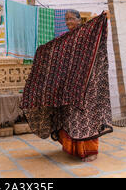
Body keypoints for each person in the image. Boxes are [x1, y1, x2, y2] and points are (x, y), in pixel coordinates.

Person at [21, 9, 113, 164]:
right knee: (70, 117)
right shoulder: (66, 39)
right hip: (70, 86)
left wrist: (102, 18)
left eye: (71, 19)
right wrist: (43, 51)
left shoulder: (85, 35)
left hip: (86, 86)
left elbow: (98, 37)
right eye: (66, 20)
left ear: (79, 20)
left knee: (84, 118)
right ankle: (73, 150)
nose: (68, 22)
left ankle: (90, 151)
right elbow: (56, 53)